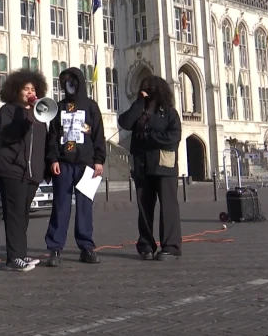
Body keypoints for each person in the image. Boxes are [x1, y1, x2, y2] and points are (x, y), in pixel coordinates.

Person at [44, 67, 106, 267]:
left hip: (86, 164)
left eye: (72, 81)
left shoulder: (91, 106)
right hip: (63, 164)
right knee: (60, 207)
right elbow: (52, 136)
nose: (68, 86)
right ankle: (54, 248)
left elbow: (98, 134)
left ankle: (86, 246)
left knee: (84, 207)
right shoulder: (59, 107)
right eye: (65, 82)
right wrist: (52, 159)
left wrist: (99, 160)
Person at [117, 75, 182, 261]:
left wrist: (150, 137)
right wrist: (139, 103)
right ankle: (145, 244)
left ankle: (171, 246)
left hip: (163, 166)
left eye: (149, 90)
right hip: (142, 165)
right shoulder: (140, 110)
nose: (146, 92)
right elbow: (125, 122)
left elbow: (173, 137)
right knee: (144, 207)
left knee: (168, 207)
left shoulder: (169, 112)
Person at [0, 69, 50, 272]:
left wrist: (46, 167)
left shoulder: (40, 114)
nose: (29, 92)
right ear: (16, 90)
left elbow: (44, 143)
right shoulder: (8, 111)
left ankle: (21, 254)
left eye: (33, 89)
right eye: (25, 89)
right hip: (11, 169)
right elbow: (8, 135)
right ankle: (13, 258)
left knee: (23, 214)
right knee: (15, 215)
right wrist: (27, 120)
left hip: (32, 173)